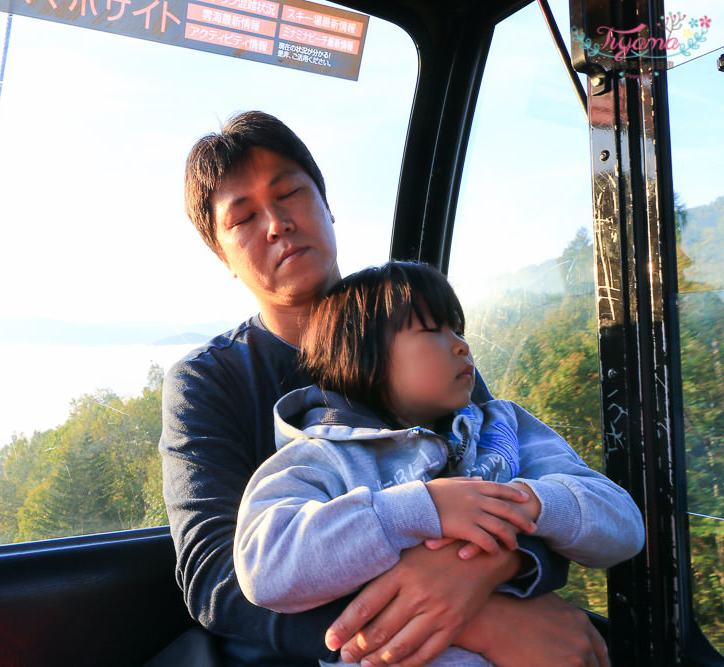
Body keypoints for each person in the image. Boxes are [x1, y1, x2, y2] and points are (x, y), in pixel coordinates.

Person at [159, 110, 611, 667]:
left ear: (327, 207)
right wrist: (470, 624)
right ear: (222, 256)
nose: (276, 224)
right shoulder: (208, 382)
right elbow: (217, 577)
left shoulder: (418, 334)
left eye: (290, 194)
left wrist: (499, 567)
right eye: (244, 217)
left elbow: (508, 470)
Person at [233, 261, 645, 666]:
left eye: (457, 329)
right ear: (362, 357)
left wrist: (518, 503)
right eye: (432, 331)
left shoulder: (505, 426)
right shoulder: (322, 456)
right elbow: (264, 566)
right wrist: (420, 509)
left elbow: (623, 525)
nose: (462, 345)